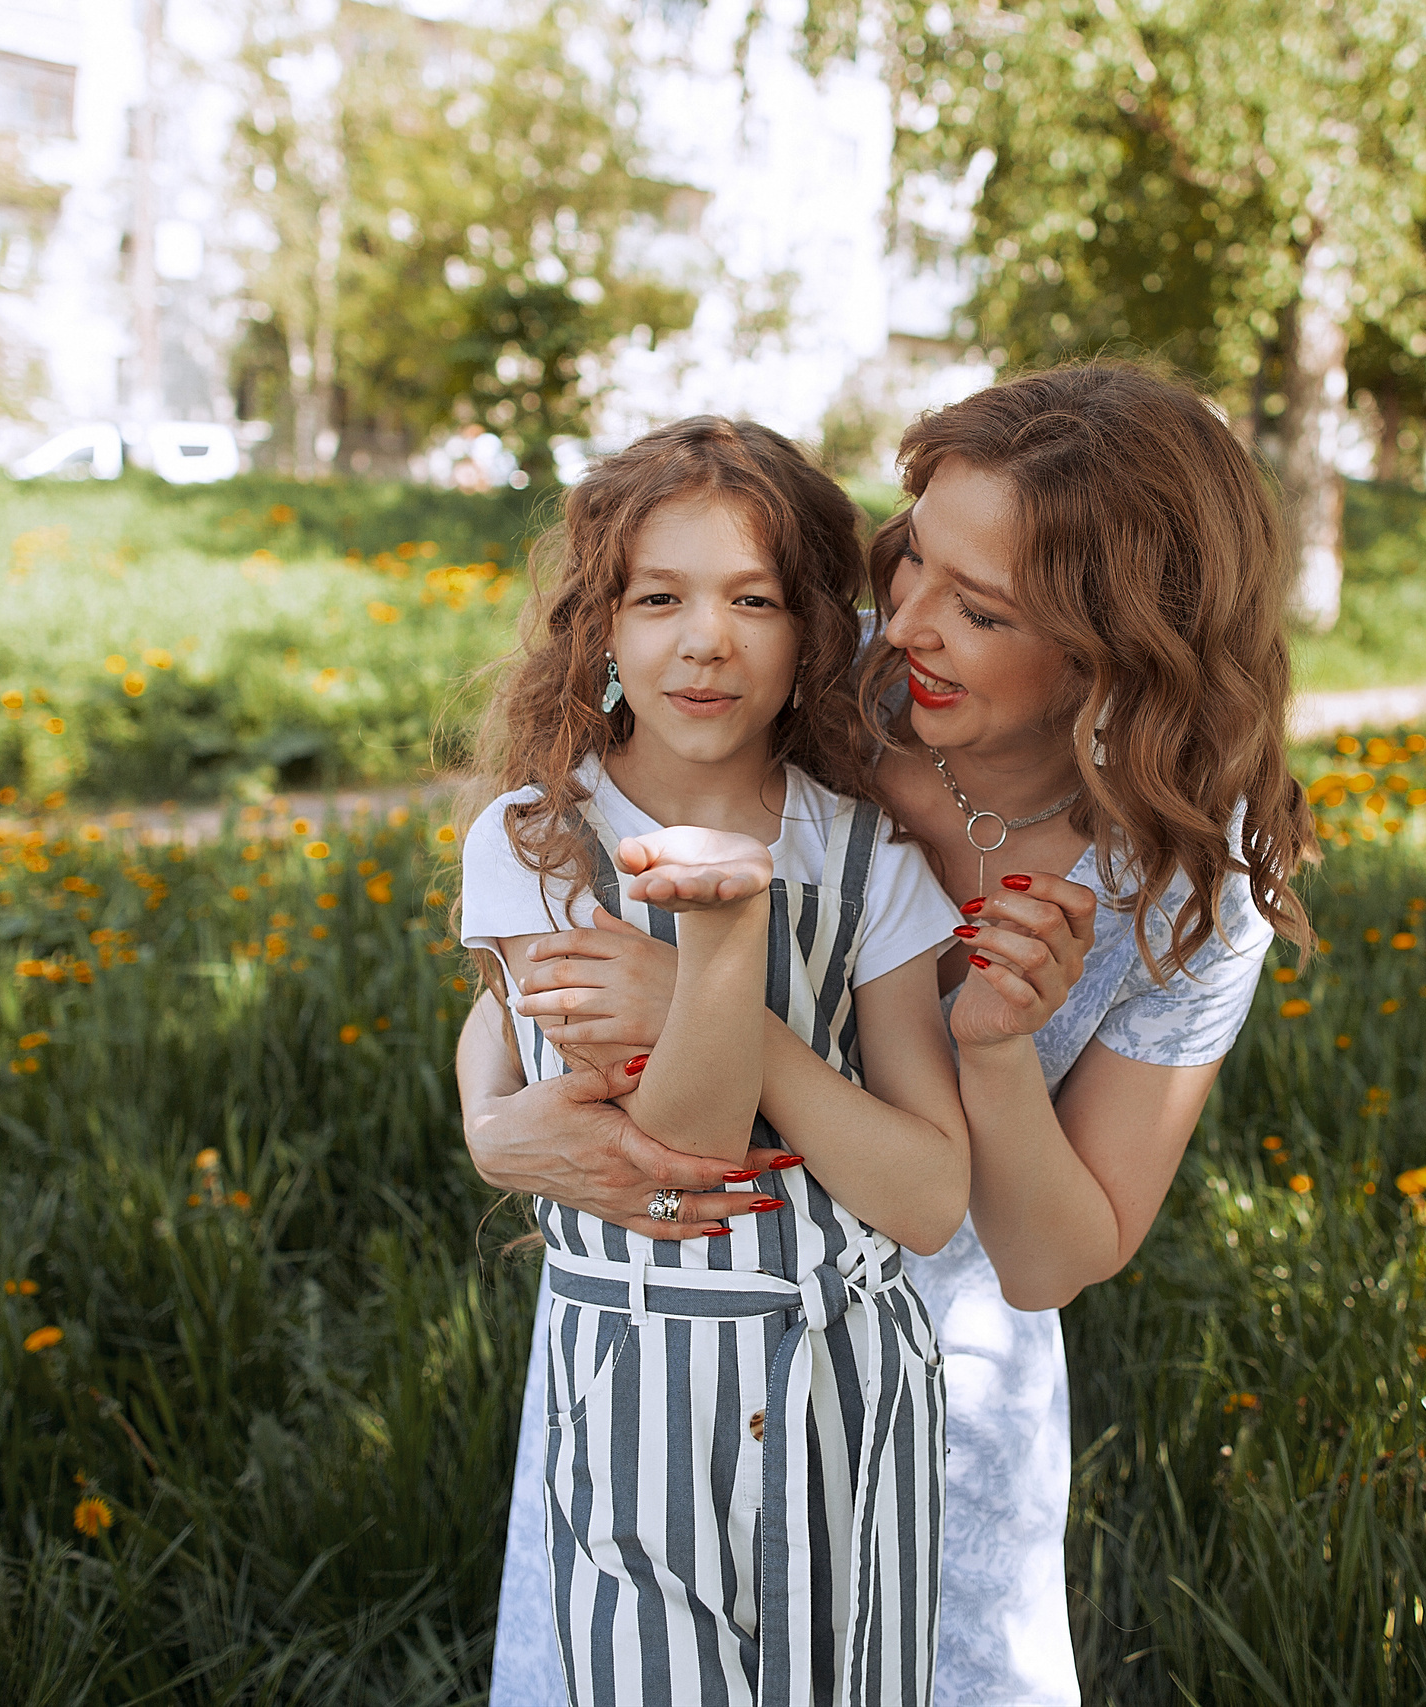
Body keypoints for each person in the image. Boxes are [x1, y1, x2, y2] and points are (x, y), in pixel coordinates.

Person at [466, 363, 1315, 1704]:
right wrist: (491, 1115)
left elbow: (1046, 1259)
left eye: (978, 609)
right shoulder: (810, 701)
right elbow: (555, 917)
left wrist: (991, 1054)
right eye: (910, 558)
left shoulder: (1185, 892)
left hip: (943, 1404)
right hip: (671, 1352)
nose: (901, 623)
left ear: (1116, 650)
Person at [454, 416, 972, 1706]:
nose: (707, 640)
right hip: (628, 1378)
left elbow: (922, 1197)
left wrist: (715, 969)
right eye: (660, 597)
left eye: (755, 599)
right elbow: (673, 1158)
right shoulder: (535, 847)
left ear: (813, 635)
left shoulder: (869, 862)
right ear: (603, 630)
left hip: (843, 1383)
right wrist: (726, 941)